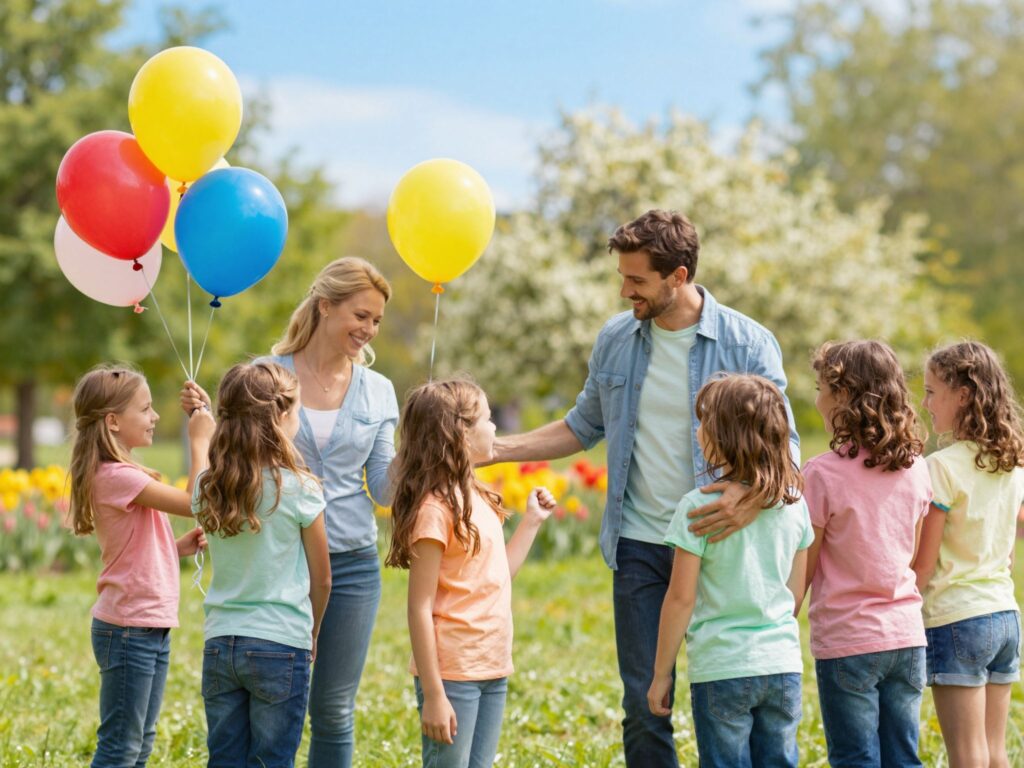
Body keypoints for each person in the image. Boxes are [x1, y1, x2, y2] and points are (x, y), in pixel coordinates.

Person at [489, 209, 799, 766]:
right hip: (640, 544)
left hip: (717, 542)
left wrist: (748, 495)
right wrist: (492, 450)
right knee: (643, 701)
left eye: (637, 280)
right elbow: (582, 425)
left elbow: (787, 447)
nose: (625, 290)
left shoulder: (749, 343)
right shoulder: (617, 338)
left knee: (722, 693)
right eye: (622, 277)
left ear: (677, 276)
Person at [182, 257, 398, 767]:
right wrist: (202, 427)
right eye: (361, 315)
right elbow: (228, 467)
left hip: (346, 564)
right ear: (326, 306)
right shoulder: (265, 378)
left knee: (334, 709)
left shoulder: (379, 390)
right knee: (275, 711)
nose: (368, 330)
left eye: (377, 321)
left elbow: (386, 490)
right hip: (273, 562)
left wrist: (425, 450)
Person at [385, 378, 556, 768]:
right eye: (488, 418)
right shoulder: (435, 510)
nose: (496, 428)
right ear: (459, 431)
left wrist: (531, 521)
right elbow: (419, 607)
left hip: (492, 665)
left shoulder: (477, 498)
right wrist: (433, 693)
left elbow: (498, 578)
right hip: (452, 673)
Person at [647, 374, 811, 767]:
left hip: (722, 668)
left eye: (704, 421)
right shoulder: (795, 504)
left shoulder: (697, 506)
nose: (698, 429)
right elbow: (796, 590)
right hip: (781, 664)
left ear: (724, 436)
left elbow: (681, 597)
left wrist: (660, 674)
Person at [69, 364, 214, 768]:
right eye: (146, 409)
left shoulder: (125, 473)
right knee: (120, 746)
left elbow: (132, 542)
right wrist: (199, 442)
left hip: (147, 625)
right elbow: (194, 503)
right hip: (128, 628)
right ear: (113, 421)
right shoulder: (115, 475)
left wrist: (175, 546)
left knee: (140, 743)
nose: (155, 417)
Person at [192, 363, 332, 768]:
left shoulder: (209, 487)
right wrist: (314, 630)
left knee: (224, 758)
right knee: (271, 761)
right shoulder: (301, 488)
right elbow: (322, 579)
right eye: (298, 409)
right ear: (282, 415)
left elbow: (196, 484)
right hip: (281, 643)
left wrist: (198, 436)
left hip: (220, 642)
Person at [801, 341, 932, 766]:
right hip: (906, 636)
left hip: (848, 641)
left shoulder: (820, 474)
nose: (817, 398)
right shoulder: (916, 467)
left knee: (855, 758)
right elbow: (909, 553)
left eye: (822, 387)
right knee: (904, 758)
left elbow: (804, 566)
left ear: (844, 397)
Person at [913, 341, 1024, 767]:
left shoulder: (940, 467)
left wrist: (903, 608)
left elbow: (924, 563)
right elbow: (1009, 556)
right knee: (995, 753)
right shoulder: (1010, 464)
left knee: (966, 755)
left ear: (962, 395)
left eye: (930, 391)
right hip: (1005, 616)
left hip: (957, 620)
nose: (924, 403)